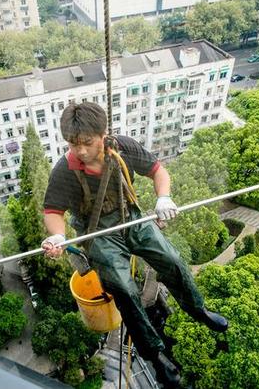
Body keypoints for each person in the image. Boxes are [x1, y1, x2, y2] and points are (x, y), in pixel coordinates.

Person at [41, 102, 227, 387]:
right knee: (124, 287)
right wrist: (58, 236)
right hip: (96, 234)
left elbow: (157, 171)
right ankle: (155, 356)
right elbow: (53, 211)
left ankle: (197, 309)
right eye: (73, 144)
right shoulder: (65, 170)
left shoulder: (123, 149)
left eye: (87, 143)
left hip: (131, 218)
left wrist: (163, 197)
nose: (80, 150)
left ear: (101, 135)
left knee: (172, 259)